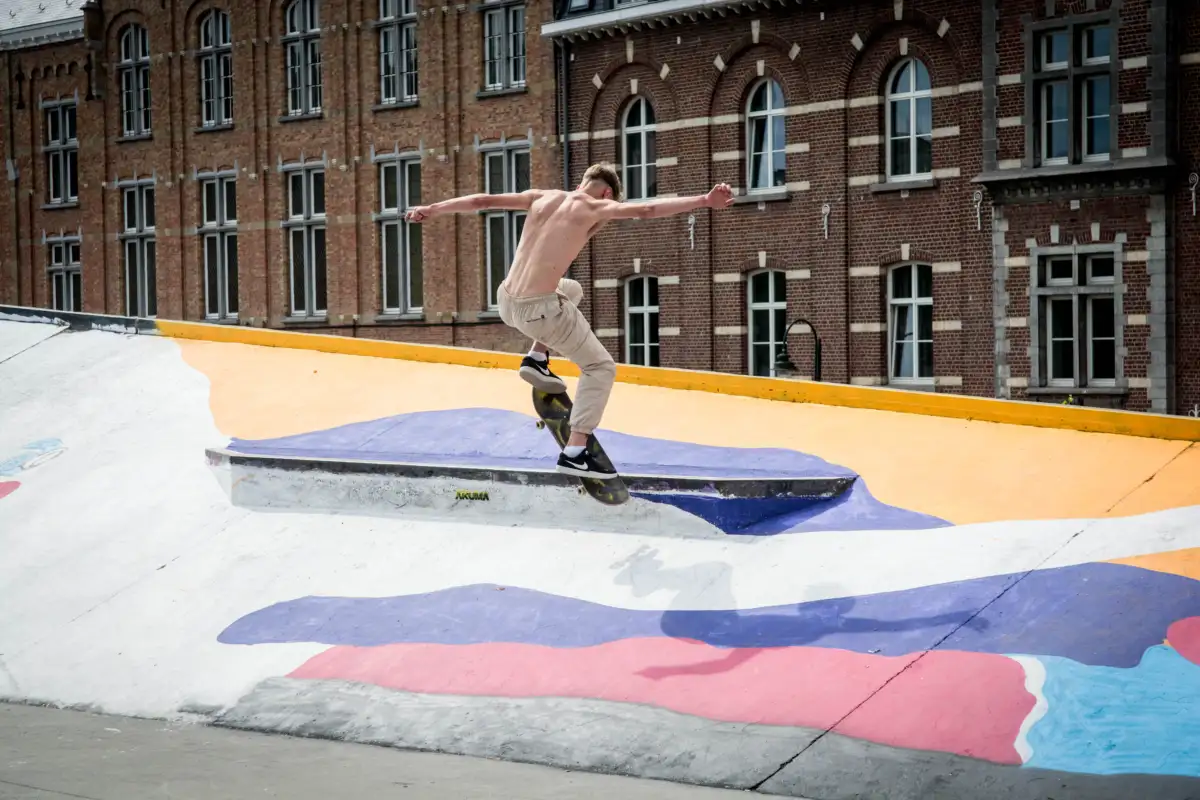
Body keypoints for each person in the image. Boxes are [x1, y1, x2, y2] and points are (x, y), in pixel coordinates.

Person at [405, 164, 734, 478]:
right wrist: (705, 200)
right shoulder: (594, 208)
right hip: (539, 312)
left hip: (505, 300)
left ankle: (536, 357)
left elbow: (481, 201)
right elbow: (647, 210)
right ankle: (575, 453)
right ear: (606, 194)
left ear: (582, 182)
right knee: (601, 368)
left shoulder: (541, 196)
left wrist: (432, 208)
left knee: (571, 288)